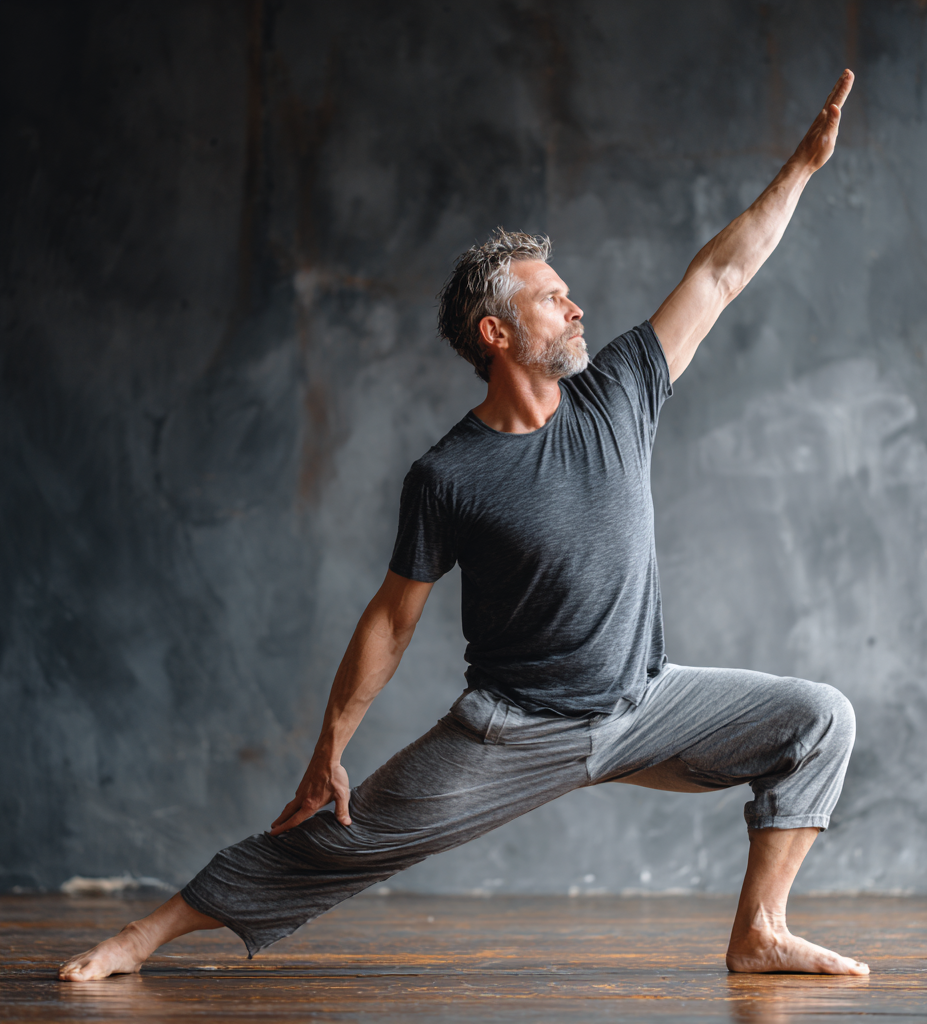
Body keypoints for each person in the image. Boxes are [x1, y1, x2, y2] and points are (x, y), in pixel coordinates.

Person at [60, 70, 868, 981]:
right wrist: (329, 748)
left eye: (569, 294)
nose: (576, 306)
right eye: (550, 296)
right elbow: (392, 620)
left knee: (818, 719)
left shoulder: (620, 394)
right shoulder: (447, 475)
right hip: (513, 730)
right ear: (494, 332)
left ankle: (759, 931)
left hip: (645, 702)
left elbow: (720, 274)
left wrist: (801, 166)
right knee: (344, 838)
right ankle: (141, 938)